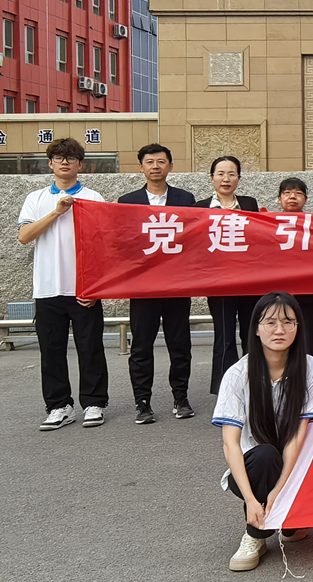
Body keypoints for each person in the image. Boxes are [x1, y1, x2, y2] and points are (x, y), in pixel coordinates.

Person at [213, 291, 313, 572]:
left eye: (288, 322)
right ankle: (256, 535)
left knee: (293, 527)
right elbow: (231, 445)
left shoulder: (312, 369)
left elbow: (297, 436)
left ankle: (290, 518)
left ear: (299, 327)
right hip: (253, 470)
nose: (279, 330)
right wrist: (252, 500)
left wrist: (279, 490)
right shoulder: (237, 374)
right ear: (256, 328)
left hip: (296, 466)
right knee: (264, 455)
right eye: (271, 322)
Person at [17, 137, 109, 431]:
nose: (65, 162)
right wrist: (57, 211)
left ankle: (94, 403)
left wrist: (95, 287)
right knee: (51, 351)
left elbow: (103, 246)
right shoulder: (36, 198)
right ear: (50, 164)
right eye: (59, 157)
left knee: (90, 348)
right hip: (47, 288)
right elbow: (24, 236)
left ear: (81, 165)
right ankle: (59, 406)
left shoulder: (94, 198)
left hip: (83, 288)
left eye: (71, 158)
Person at [118, 143, 199, 424]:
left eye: (161, 161)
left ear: (170, 166)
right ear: (141, 167)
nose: (155, 166)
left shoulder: (185, 199)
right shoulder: (127, 202)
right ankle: (142, 402)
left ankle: (181, 397)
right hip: (143, 287)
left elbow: (194, 238)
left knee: (180, 344)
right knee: (141, 345)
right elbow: (122, 242)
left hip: (177, 284)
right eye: (150, 162)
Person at [199, 156, 261, 395]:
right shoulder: (199, 208)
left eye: (231, 174)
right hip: (219, 283)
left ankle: (252, 387)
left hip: (248, 281)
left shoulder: (249, 204)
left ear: (239, 178)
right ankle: (225, 390)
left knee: (251, 335)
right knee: (224, 337)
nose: (226, 179)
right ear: (212, 177)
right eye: (221, 173)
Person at [276, 177, 313, 356]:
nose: (292, 197)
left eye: (298, 193)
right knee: (280, 344)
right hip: (278, 296)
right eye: (287, 193)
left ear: (305, 200)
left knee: (307, 345)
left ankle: (306, 374)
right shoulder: (267, 224)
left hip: (310, 296)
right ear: (279, 199)